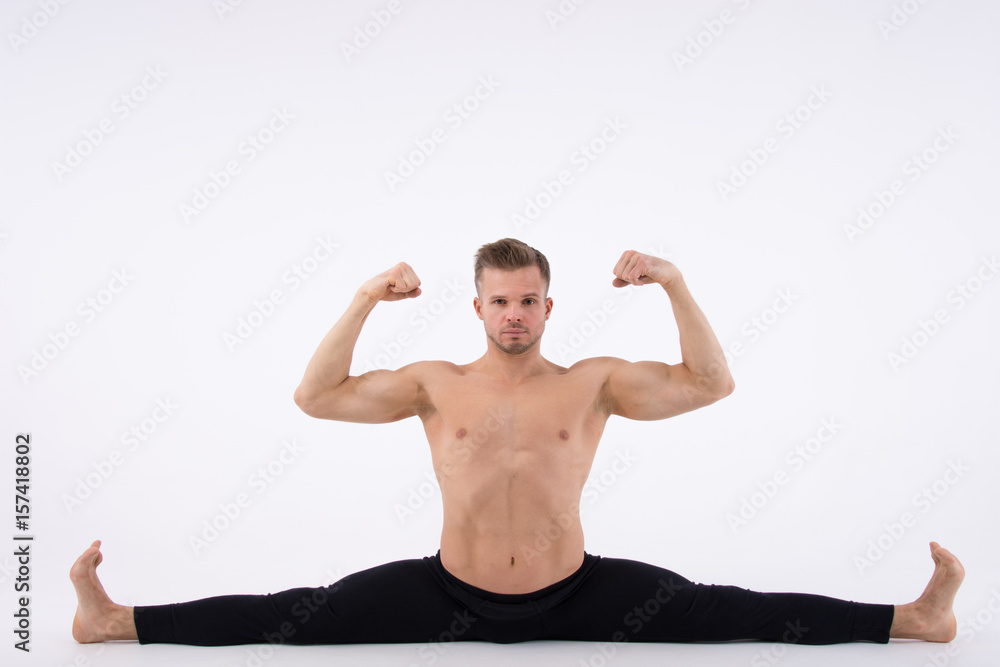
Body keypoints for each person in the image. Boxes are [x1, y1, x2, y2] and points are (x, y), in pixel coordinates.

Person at [71, 238, 964, 646]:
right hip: (445, 592)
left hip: (578, 594)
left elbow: (710, 383)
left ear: (548, 304)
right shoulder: (433, 383)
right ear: (477, 306)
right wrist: (362, 298)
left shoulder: (594, 381)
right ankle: (113, 620)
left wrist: (675, 282)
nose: (514, 313)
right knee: (290, 615)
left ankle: (913, 619)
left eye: (528, 298)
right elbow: (314, 396)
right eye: (499, 299)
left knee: (734, 611)